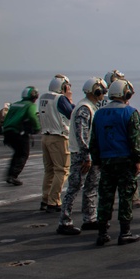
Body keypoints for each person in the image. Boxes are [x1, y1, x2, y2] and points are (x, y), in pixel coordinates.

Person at [91, 79, 140, 246]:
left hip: (106, 161)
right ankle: (125, 232)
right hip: (125, 161)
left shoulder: (99, 113)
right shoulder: (129, 112)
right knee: (126, 197)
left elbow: (94, 140)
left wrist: (97, 160)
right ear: (126, 93)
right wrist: (138, 161)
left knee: (105, 197)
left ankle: (102, 233)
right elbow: (135, 140)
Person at [56, 77, 106, 235]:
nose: (103, 94)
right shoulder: (84, 108)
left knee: (91, 187)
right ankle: (64, 221)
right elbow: (82, 134)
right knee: (74, 187)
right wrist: (87, 156)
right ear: (95, 91)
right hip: (82, 155)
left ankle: (90, 219)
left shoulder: (90, 106)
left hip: (89, 154)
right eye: (102, 91)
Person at [37, 74, 74, 212]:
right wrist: (69, 99)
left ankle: (45, 199)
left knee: (49, 170)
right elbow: (72, 113)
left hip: (45, 136)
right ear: (64, 87)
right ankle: (54, 201)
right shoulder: (60, 99)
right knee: (62, 170)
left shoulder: (43, 97)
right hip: (58, 137)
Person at [3, 86, 41, 186]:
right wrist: (37, 128)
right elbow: (32, 116)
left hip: (7, 132)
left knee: (17, 153)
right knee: (24, 154)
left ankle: (10, 174)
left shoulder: (15, 104)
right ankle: (13, 176)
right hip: (18, 133)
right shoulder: (30, 105)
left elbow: (6, 118)